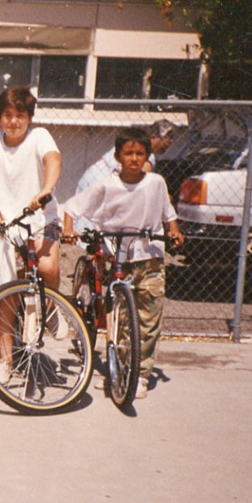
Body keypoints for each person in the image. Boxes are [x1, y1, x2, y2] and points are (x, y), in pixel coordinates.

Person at [61, 127, 184, 399]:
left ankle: (140, 375)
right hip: (117, 258)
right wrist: (69, 229)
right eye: (128, 153)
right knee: (119, 319)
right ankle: (118, 369)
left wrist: (173, 230)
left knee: (149, 318)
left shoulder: (156, 183)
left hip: (149, 255)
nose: (134, 158)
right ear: (117, 156)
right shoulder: (107, 185)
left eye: (140, 153)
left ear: (147, 156)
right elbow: (72, 207)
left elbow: (168, 213)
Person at [0, 86, 62, 384]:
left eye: (20, 116)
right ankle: (6, 361)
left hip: (40, 216)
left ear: (29, 118)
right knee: (8, 295)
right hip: (7, 224)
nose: (13, 121)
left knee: (47, 266)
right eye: (7, 115)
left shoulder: (39, 136)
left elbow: (52, 160)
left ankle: (52, 309)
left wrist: (46, 189)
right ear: (0, 117)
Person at [75, 119, 177, 195]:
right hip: (102, 184)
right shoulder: (146, 152)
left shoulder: (132, 141)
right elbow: (143, 183)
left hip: (90, 177)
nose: (169, 144)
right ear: (153, 137)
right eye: (167, 140)